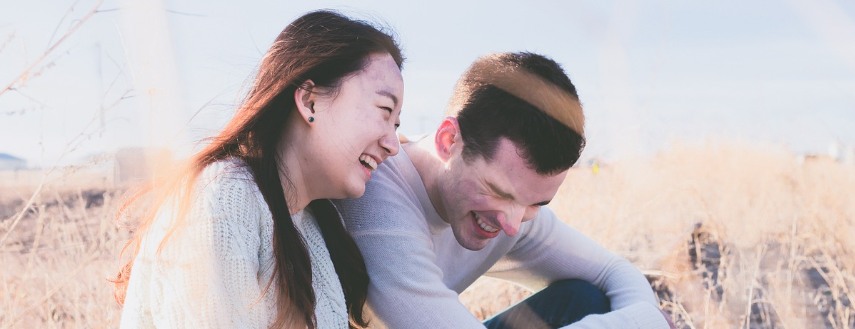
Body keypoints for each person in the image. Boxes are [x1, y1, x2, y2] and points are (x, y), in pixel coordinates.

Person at [334, 52, 675, 328]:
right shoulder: (376, 193)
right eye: (500, 192)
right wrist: (640, 321)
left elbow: (614, 271)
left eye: (535, 204)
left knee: (584, 298)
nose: (512, 225)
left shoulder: (514, 213)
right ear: (448, 140)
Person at [112, 10, 404, 329]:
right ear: (309, 101)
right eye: (384, 111)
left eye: (397, 123)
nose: (393, 144)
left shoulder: (311, 222)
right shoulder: (224, 197)